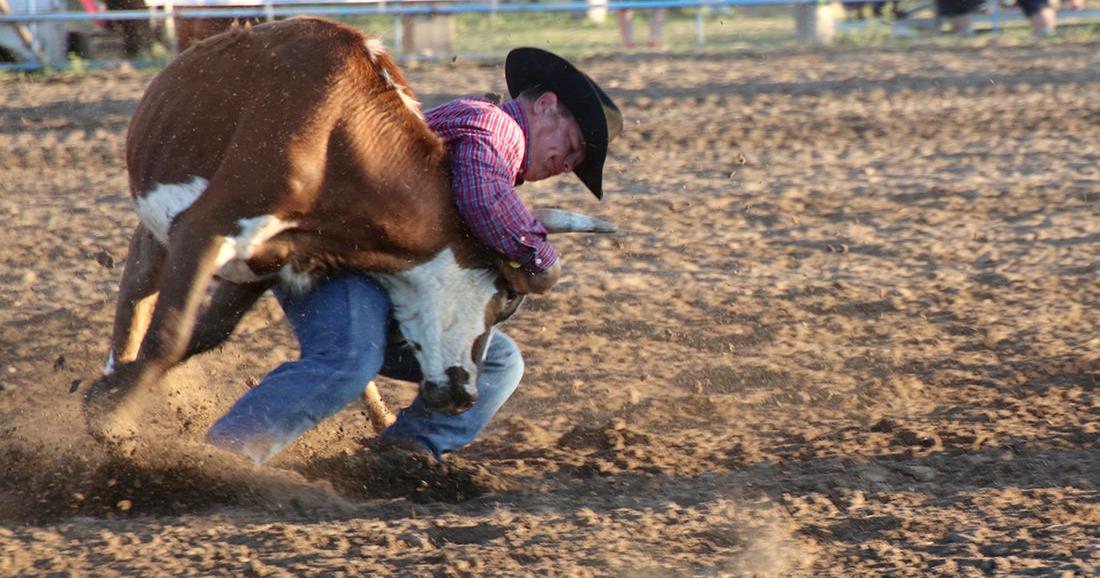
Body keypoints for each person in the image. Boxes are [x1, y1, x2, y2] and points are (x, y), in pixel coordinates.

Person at [204, 47, 624, 465]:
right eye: (571, 147)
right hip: (339, 255)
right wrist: (541, 259)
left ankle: (399, 457)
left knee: (498, 362)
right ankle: (225, 458)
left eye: (575, 162)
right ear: (547, 106)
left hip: (387, 273)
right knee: (350, 360)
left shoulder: (498, 145)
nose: (566, 165)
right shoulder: (492, 124)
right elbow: (484, 199)